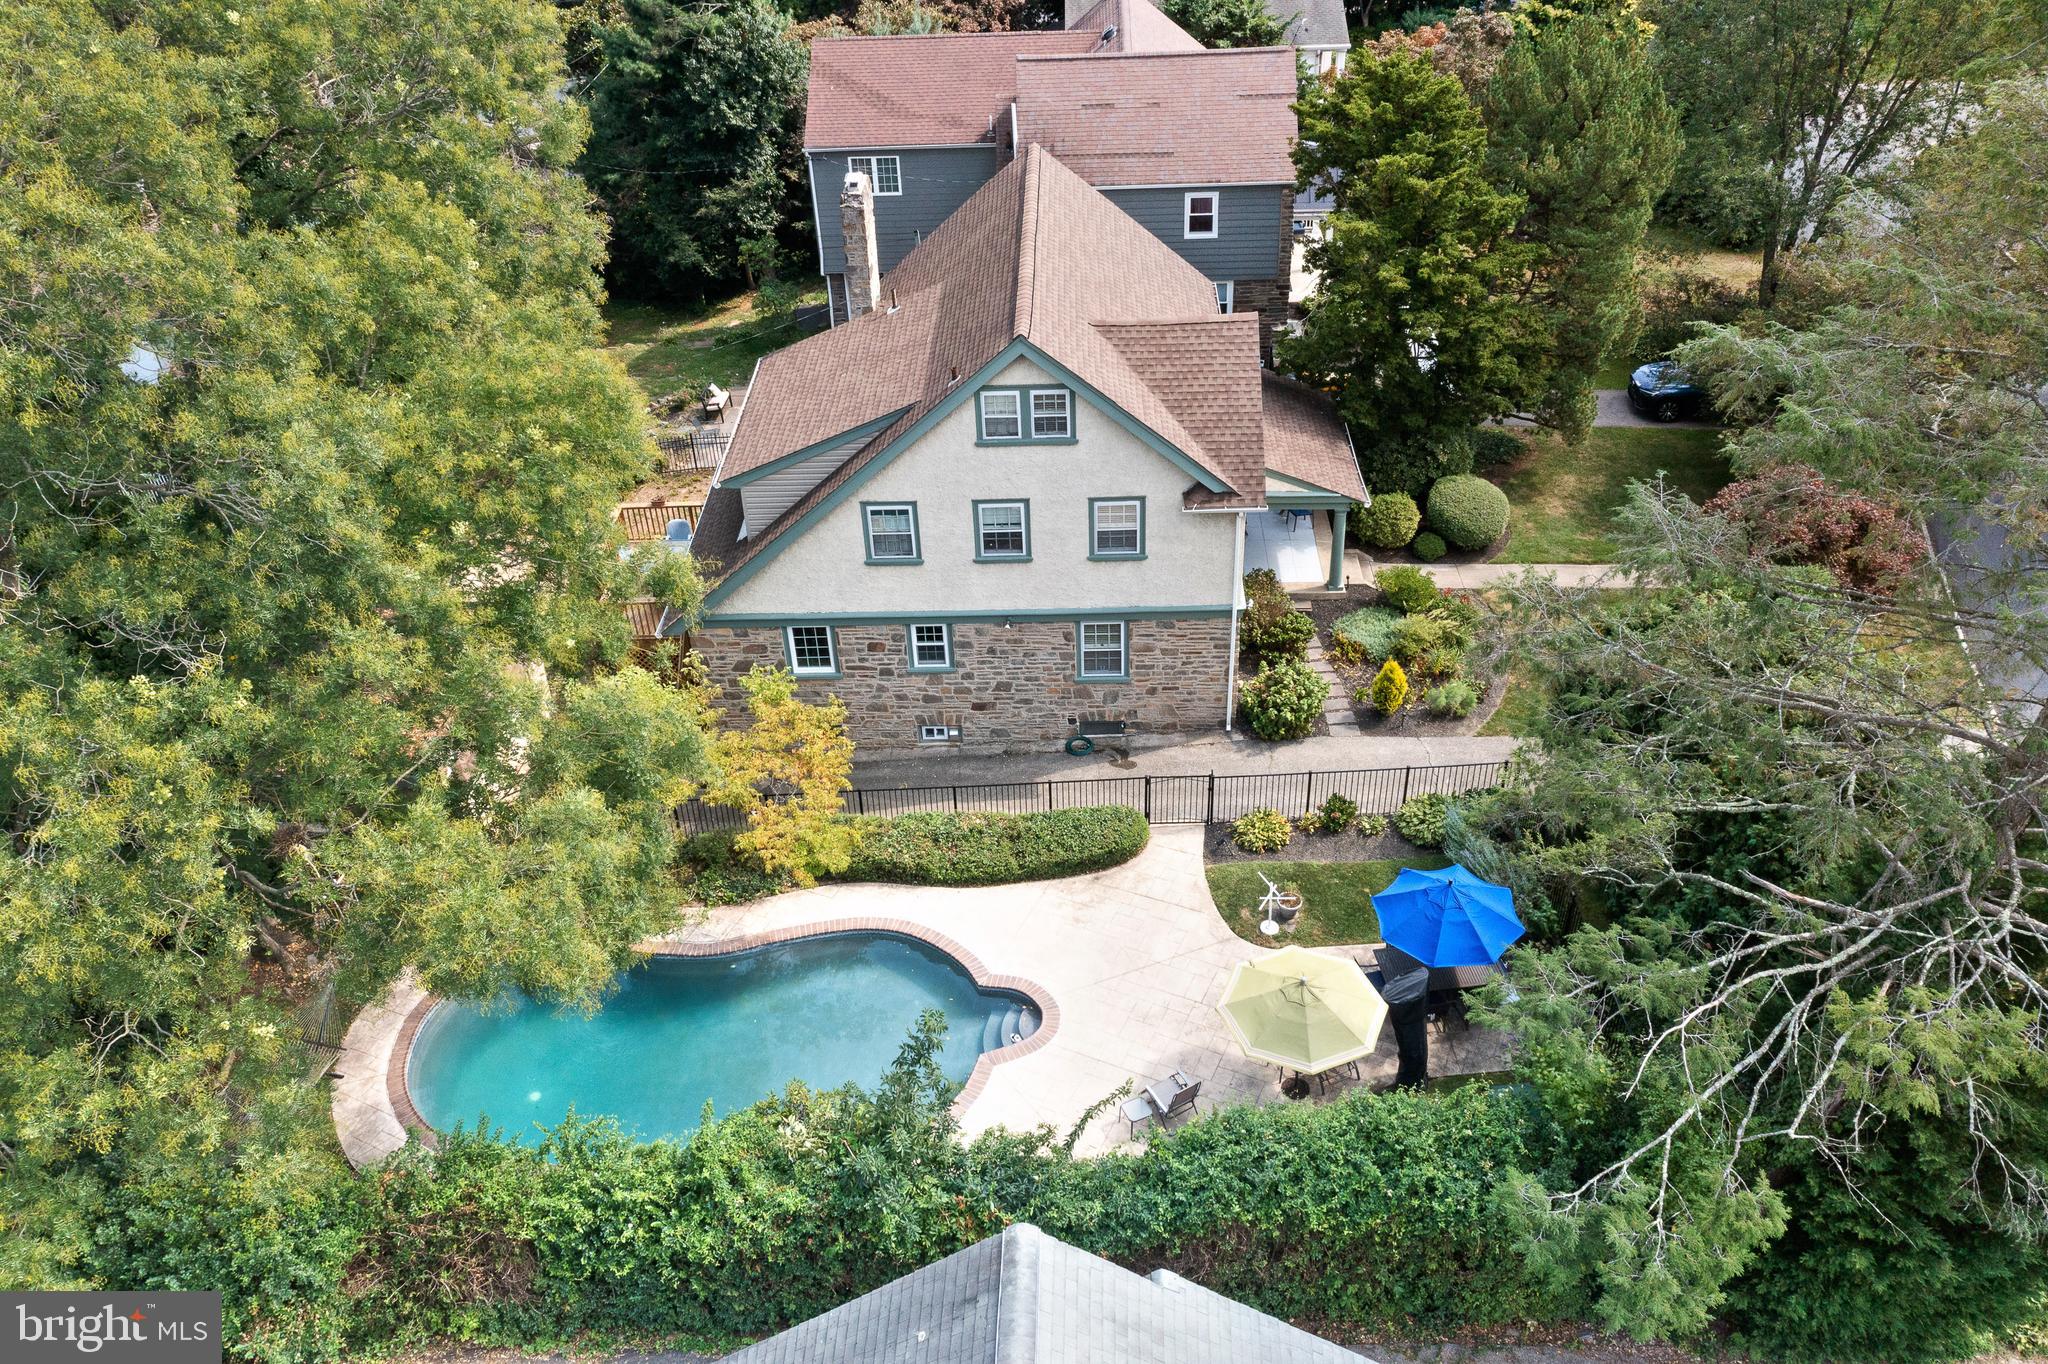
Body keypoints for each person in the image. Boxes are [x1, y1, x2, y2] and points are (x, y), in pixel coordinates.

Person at [1371, 946, 1430, 1091]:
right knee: (1413, 1053)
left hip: (1410, 1018)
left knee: (1413, 1054)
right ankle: (1413, 1082)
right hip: (1411, 1017)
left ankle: (1411, 1085)